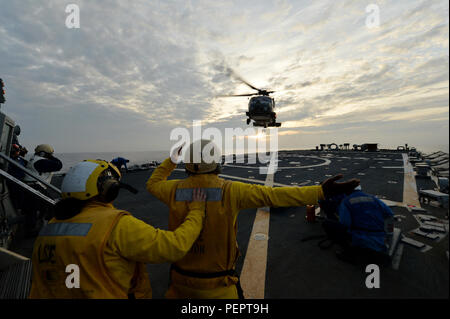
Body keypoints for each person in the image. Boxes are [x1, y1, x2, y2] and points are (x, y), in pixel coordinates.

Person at [146, 139, 360, 299]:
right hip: (218, 288)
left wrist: (171, 161)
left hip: (179, 284)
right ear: (216, 161)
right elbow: (274, 196)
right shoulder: (231, 190)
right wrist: (320, 192)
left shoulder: (173, 189)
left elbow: (153, 183)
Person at [29, 159, 207, 299]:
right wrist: (197, 210)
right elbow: (174, 247)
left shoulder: (49, 229)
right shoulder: (116, 225)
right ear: (109, 190)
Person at [321, 186, 394, 265]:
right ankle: (373, 252)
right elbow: (389, 215)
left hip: (360, 238)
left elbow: (345, 224)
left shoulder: (346, 202)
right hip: (380, 239)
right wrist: (388, 235)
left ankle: (349, 252)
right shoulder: (374, 199)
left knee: (327, 224)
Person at [21, 144, 63, 235]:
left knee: (33, 209)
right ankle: (49, 229)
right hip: (35, 186)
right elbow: (59, 165)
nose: (51, 156)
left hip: (30, 185)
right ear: (43, 154)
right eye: (49, 154)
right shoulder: (41, 162)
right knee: (51, 205)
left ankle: (33, 228)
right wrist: (52, 157)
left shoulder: (34, 159)